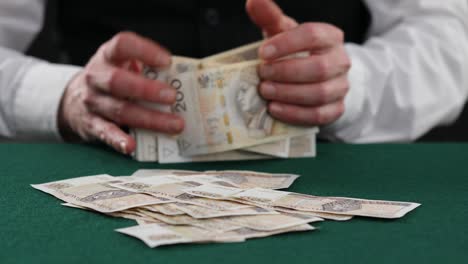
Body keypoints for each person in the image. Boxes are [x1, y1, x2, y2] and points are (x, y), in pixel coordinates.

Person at [1, 0, 468, 154]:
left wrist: (352, 84)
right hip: (108, 177)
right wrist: (65, 96)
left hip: (339, 186)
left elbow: (447, 35)